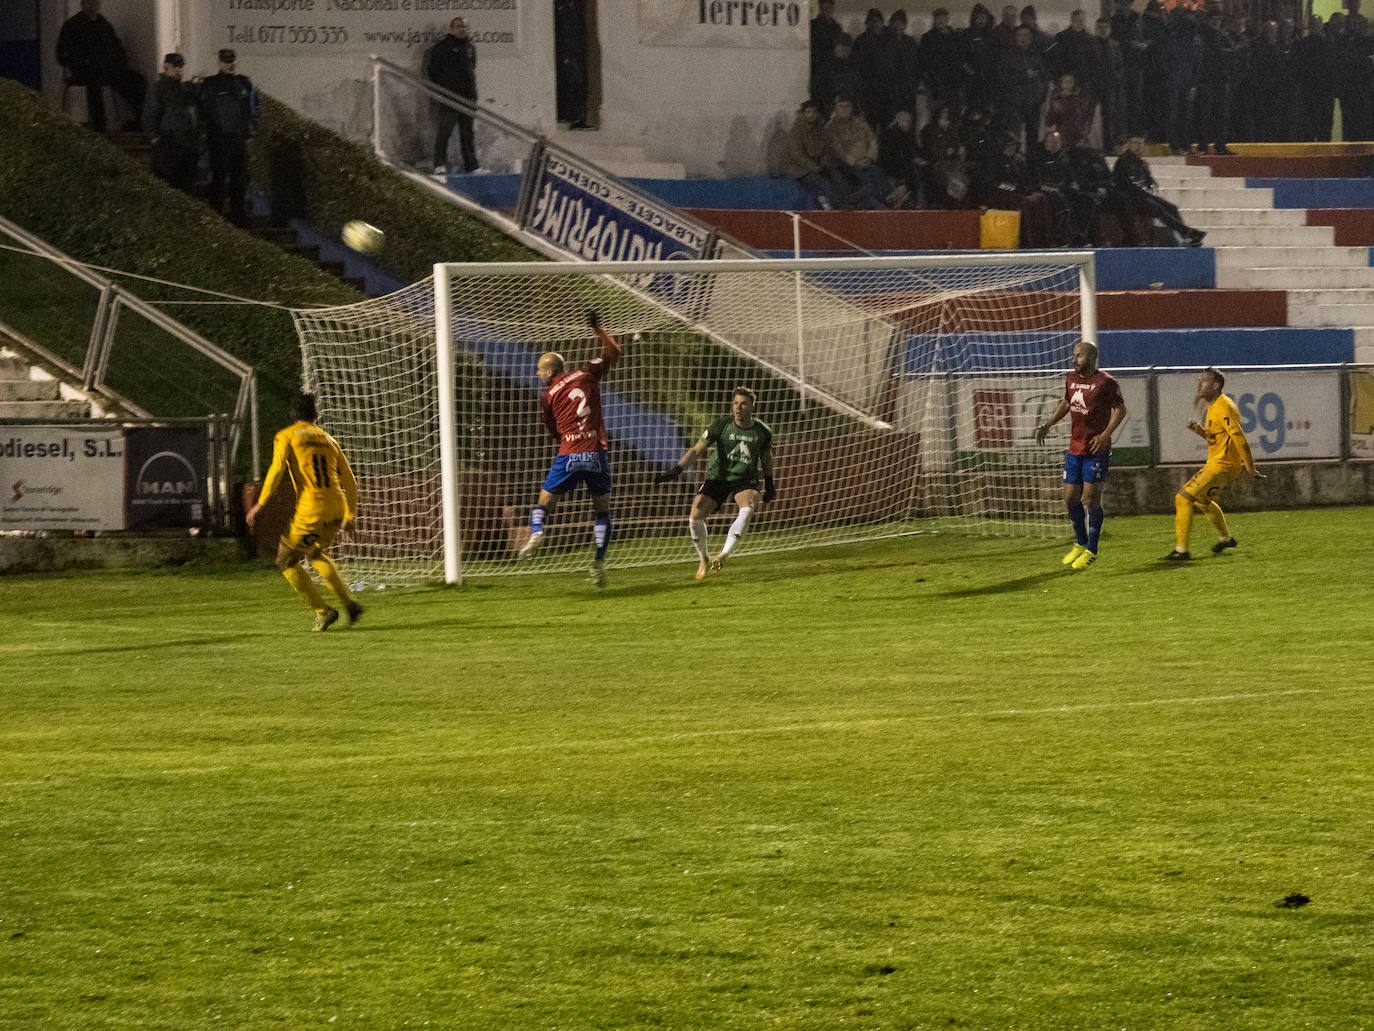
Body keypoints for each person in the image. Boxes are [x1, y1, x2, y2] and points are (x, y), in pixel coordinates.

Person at [518, 312, 621, 587]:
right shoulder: (587, 373)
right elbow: (614, 351)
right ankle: (599, 562)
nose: (538, 374)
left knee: (544, 503)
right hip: (596, 453)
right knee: (601, 512)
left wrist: (568, 439)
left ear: (550, 371)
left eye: (540, 370)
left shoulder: (547, 395)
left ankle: (537, 531)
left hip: (569, 452)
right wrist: (598, 329)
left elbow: (552, 430)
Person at [246, 394, 363, 632]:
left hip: (312, 508)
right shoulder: (329, 439)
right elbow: (349, 481)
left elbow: (277, 469)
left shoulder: (286, 436)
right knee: (316, 553)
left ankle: (324, 611)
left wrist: (260, 502)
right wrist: (350, 515)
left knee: (285, 559)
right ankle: (350, 603)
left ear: (293, 415)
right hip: (336, 505)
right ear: (316, 416)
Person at [655, 387, 775, 580]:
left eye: (743, 404)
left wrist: (770, 483)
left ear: (752, 406)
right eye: (735, 403)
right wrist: (677, 469)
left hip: (745, 479)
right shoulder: (721, 425)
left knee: (749, 506)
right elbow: (696, 450)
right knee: (695, 515)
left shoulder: (762, 432)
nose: (738, 407)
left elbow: (766, 457)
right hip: (718, 477)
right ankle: (704, 559)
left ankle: (723, 555)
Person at [1034, 340, 1126, 570]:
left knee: (1090, 500)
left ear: (1092, 357)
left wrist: (1106, 434)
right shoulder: (1071, 379)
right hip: (1075, 448)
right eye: (1074, 355)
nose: (1074, 360)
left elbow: (1120, 409)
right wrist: (1049, 424)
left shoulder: (1106, 382)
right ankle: (1080, 542)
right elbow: (1067, 402)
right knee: (1070, 498)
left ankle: (1092, 550)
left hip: (1096, 450)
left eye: (1079, 356)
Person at [1164, 367, 1264, 560]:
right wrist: (1200, 431)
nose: (1199, 384)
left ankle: (1181, 551)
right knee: (1203, 501)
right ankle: (1225, 539)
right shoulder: (1214, 406)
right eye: (1198, 380)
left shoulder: (1224, 406)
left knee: (1182, 498)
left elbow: (1239, 437)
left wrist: (1250, 467)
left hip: (1221, 465)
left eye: (1204, 380)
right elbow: (1216, 439)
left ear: (1216, 385)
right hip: (1220, 464)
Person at [56, 0, 147, 134]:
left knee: (137, 80)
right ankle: (99, 126)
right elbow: (63, 53)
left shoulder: (103, 25)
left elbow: (117, 47)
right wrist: (81, 63)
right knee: (94, 81)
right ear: (83, 4)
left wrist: (119, 64)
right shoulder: (72, 26)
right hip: (84, 70)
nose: (94, 6)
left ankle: (141, 120)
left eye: (96, 3)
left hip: (107, 68)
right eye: (90, 3)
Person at [1110, 133, 1205, 246]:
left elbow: (1150, 183)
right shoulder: (1124, 161)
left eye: (1140, 143)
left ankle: (1185, 235)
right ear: (1129, 144)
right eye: (1135, 143)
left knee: (1172, 207)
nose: (1138, 146)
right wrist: (1149, 194)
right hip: (1129, 199)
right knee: (1157, 208)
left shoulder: (1141, 162)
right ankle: (1186, 232)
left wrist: (1151, 193)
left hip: (1142, 196)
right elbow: (1131, 185)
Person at [200, 49, 257, 227]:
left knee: (238, 178)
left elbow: (250, 108)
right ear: (219, 62)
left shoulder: (243, 83)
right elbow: (205, 111)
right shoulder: (211, 83)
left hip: (237, 138)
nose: (229, 64)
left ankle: (238, 214)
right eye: (226, 62)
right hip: (219, 138)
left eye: (231, 61)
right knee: (219, 177)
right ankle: (216, 213)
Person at [427, 16, 479, 175]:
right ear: (451, 29)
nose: (461, 29)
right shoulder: (443, 47)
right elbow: (433, 70)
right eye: (458, 26)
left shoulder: (470, 47)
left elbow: (473, 67)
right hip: (450, 97)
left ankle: (471, 166)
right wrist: (444, 89)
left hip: (468, 97)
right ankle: (439, 164)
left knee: (467, 133)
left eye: (464, 26)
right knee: (445, 131)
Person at [143, 53, 200, 194]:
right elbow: (150, 115)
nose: (179, 70)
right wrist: (155, 139)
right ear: (166, 67)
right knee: (171, 186)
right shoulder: (158, 88)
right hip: (169, 144)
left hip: (186, 144)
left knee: (186, 187)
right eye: (176, 66)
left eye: (181, 66)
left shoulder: (182, 89)